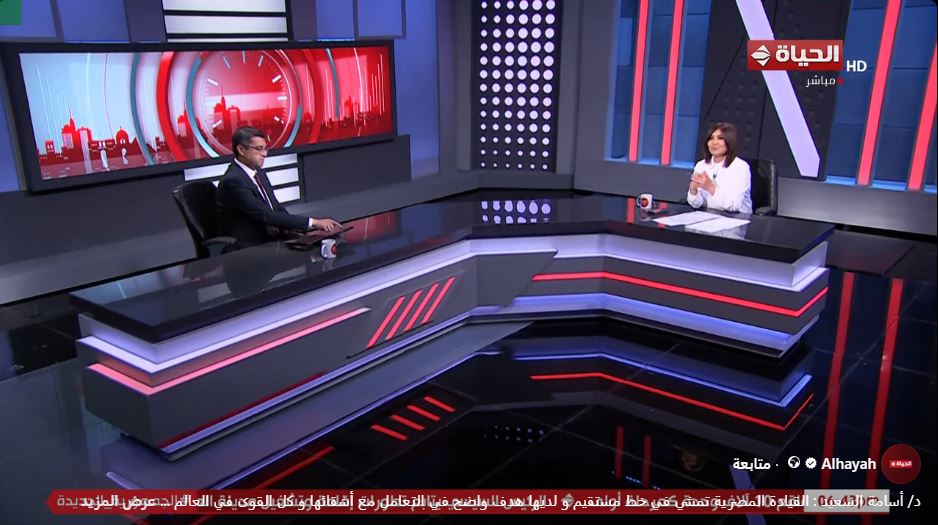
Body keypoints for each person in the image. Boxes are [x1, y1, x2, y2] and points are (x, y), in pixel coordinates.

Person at [217, 126, 341, 248]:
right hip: (249, 246)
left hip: (271, 237)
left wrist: (297, 229)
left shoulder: (258, 173)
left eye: (265, 149)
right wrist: (314, 223)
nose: (264, 154)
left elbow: (276, 207)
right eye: (259, 149)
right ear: (241, 150)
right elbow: (265, 215)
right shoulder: (233, 181)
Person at [686, 122, 753, 215]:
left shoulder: (740, 167)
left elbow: (734, 205)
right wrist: (693, 191)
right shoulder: (701, 165)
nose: (714, 142)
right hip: (708, 215)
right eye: (711, 138)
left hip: (737, 218)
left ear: (729, 142)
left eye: (720, 138)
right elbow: (698, 204)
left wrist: (710, 187)